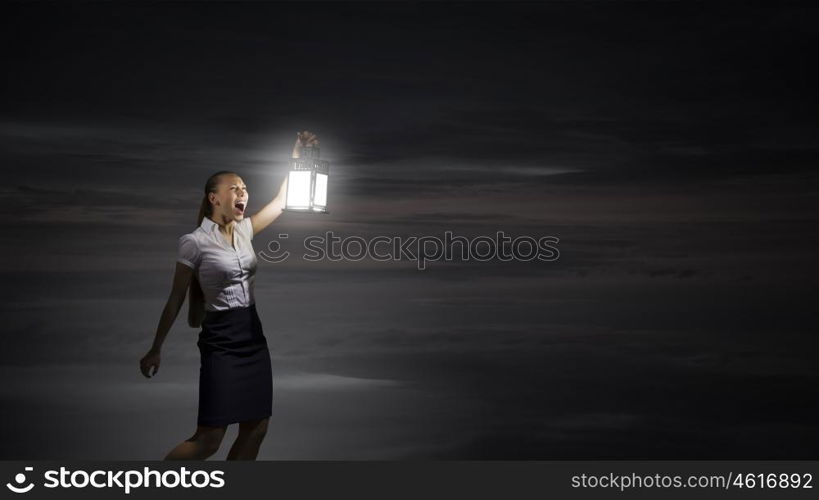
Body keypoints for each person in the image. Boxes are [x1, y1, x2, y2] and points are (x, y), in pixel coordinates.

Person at [139, 131, 319, 460]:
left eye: (245, 188)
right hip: (221, 339)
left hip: (252, 335)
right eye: (235, 188)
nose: (243, 193)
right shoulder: (193, 242)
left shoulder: (245, 230)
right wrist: (155, 348)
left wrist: (298, 159)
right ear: (214, 197)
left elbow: (281, 202)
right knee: (209, 439)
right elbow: (176, 298)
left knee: (257, 426)